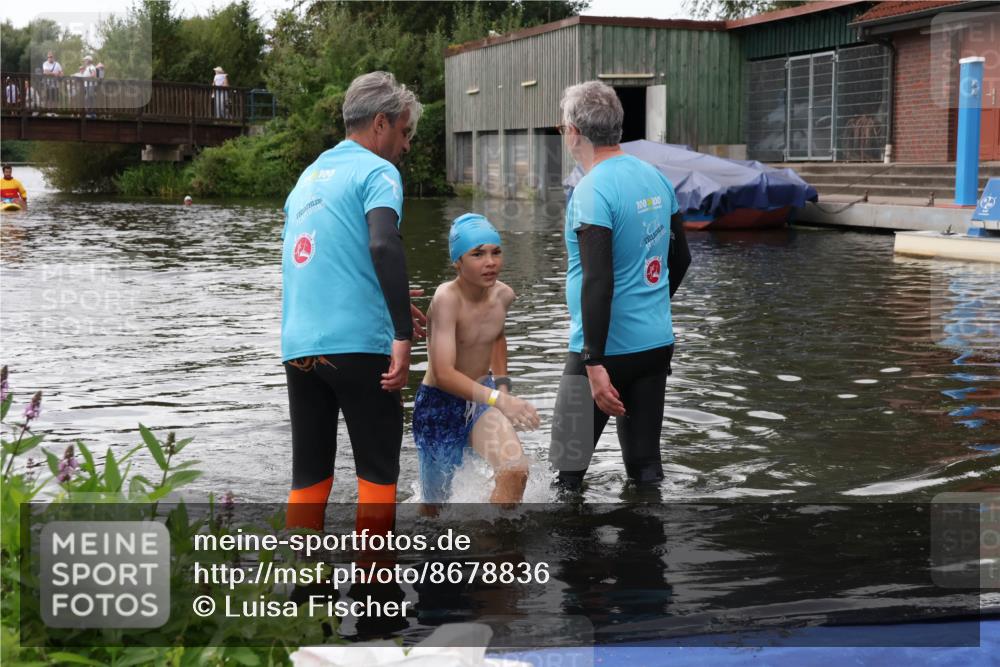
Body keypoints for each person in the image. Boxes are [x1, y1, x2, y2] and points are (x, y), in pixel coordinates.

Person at [281, 71, 425, 531]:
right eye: (404, 132)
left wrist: (394, 297)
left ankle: (304, 590)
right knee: (378, 475)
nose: (405, 146)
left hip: (300, 345)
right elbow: (383, 245)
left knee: (309, 476)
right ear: (380, 124)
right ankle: (374, 588)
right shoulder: (378, 170)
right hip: (360, 348)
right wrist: (402, 333)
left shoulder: (308, 176)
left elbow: (325, 260)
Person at [549, 80, 691, 492]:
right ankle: (646, 554)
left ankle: (572, 554)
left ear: (575, 133)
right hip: (653, 345)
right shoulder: (656, 178)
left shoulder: (591, 189)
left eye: (562, 128)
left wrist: (593, 362)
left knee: (568, 472)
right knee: (646, 468)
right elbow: (680, 259)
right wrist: (649, 307)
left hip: (601, 350)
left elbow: (598, 280)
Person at [413, 213, 537, 509]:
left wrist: (503, 389)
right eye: (477, 254)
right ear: (458, 261)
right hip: (439, 407)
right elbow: (443, 373)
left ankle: (492, 544)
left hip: (482, 401)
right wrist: (501, 400)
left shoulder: (503, 295)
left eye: (496, 252)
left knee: (515, 470)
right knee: (434, 510)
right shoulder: (447, 299)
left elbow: (495, 336)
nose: (490, 261)